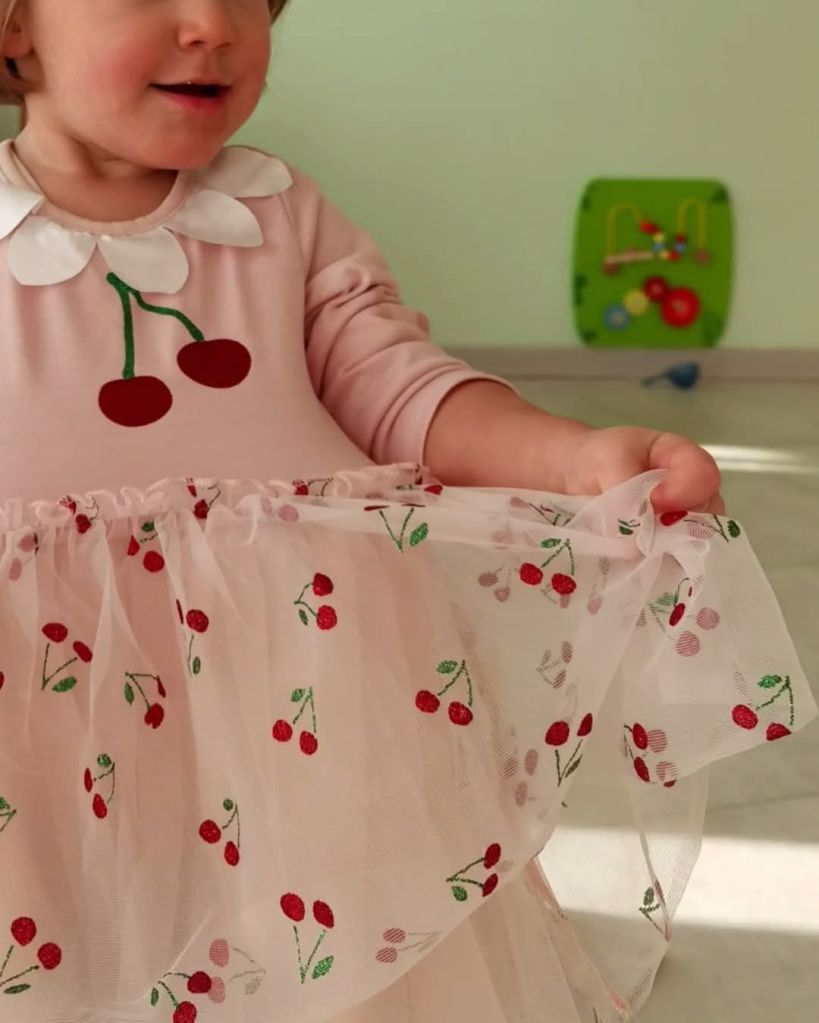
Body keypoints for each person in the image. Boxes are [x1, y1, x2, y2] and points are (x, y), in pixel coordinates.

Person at [0, 3, 811, 1023]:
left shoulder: (276, 212)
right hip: (42, 701)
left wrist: (572, 455)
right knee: (67, 935)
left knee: (335, 944)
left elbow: (395, 385)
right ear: (15, 26)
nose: (211, 24)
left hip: (297, 686)